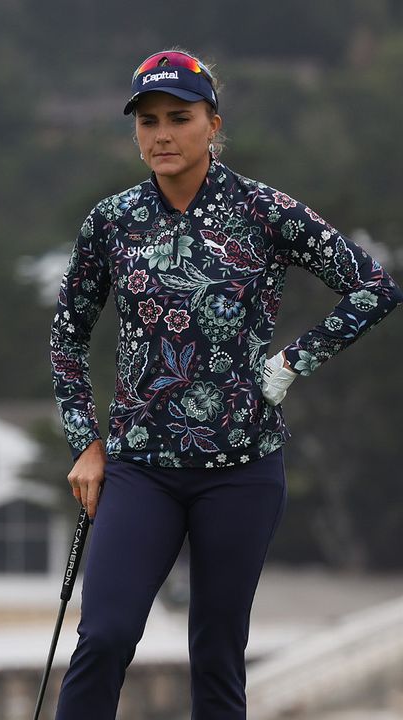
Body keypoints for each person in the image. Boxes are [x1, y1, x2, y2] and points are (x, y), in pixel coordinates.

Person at [48, 48, 403, 718]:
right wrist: (83, 443)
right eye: (147, 120)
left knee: (217, 654)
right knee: (105, 635)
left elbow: (373, 287)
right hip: (139, 469)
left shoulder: (265, 211)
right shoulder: (112, 222)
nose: (161, 134)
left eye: (178, 117)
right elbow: (67, 335)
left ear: (213, 122)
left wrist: (293, 362)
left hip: (242, 471)